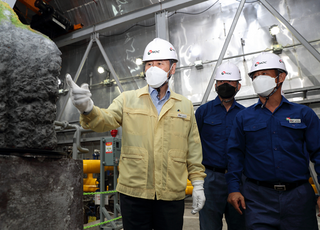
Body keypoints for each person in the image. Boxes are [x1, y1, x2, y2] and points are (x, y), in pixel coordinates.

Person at [66, 38, 206, 230]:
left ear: (172, 69)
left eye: (159, 63)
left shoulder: (185, 105)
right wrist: (87, 108)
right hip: (134, 193)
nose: (153, 68)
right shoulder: (128, 99)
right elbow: (105, 119)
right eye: (149, 64)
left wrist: (198, 184)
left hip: (171, 194)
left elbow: (193, 148)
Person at [226, 52, 320, 230]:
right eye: (255, 76)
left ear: (281, 77)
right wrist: (233, 188)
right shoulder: (243, 117)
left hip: (298, 198)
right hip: (257, 199)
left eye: (264, 74)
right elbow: (235, 155)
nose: (258, 79)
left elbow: (319, 153)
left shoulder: (304, 114)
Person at [195, 62, 245, 230]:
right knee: (209, 225)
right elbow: (193, 144)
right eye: (221, 81)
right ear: (215, 85)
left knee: (240, 224)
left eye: (230, 82)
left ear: (238, 86)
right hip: (210, 178)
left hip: (239, 178)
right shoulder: (203, 112)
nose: (225, 85)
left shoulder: (245, 114)